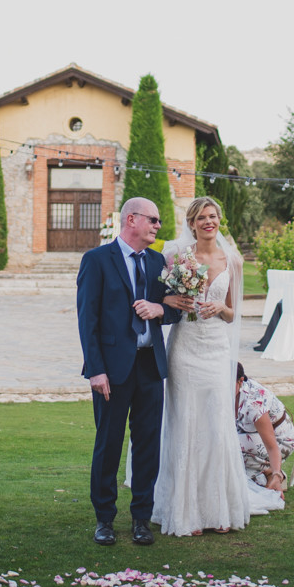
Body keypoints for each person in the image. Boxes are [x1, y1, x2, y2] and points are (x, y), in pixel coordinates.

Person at [76, 196, 180, 547]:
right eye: (153, 220)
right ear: (131, 220)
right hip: (111, 372)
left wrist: (159, 308)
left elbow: (177, 309)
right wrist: (95, 370)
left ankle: (141, 519)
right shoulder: (96, 260)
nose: (157, 226)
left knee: (148, 445)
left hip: (150, 366)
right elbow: (87, 320)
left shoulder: (158, 262)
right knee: (108, 444)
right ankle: (104, 519)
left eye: (158, 221)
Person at [153, 197, 254, 537]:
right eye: (201, 218)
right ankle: (187, 512)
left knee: (215, 424)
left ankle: (218, 510)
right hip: (184, 347)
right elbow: (158, 298)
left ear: (219, 220)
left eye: (212, 217)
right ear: (192, 223)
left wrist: (217, 308)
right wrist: (170, 300)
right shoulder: (178, 257)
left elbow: (232, 313)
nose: (208, 222)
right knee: (185, 425)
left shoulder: (233, 261)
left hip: (214, 350)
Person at [235, 364, 294, 495]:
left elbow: (272, 446)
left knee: (228, 444)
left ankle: (271, 473)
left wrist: (276, 475)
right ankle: (259, 475)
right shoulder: (228, 394)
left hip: (281, 441)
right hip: (252, 436)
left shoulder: (254, 404)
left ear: (240, 381)